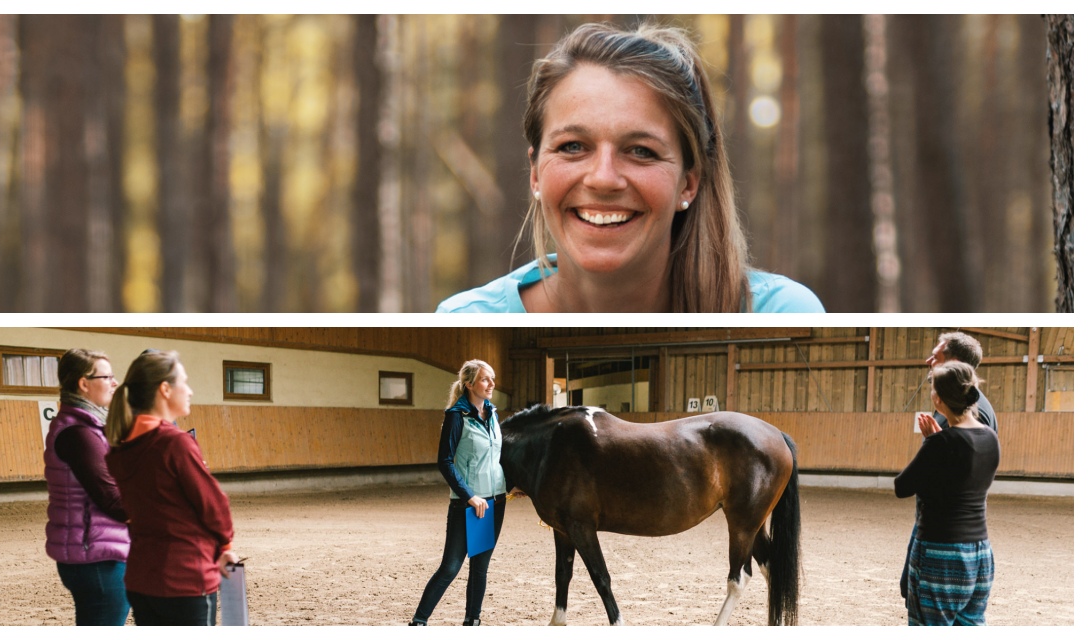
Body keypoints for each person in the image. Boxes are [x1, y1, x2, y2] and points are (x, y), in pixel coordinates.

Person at [437, 22, 824, 313]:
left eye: (640, 151)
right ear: (536, 172)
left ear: (688, 184)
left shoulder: (780, 311)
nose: (603, 178)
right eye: (573, 147)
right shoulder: (462, 317)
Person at [104, 350, 238, 626]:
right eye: (184, 382)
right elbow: (214, 504)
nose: (189, 390)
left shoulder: (120, 450)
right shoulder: (175, 443)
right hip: (185, 578)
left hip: (142, 579)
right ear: (164, 389)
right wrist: (225, 544)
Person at [894, 361, 1000, 625]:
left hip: (941, 554)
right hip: (980, 553)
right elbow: (962, 472)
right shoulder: (989, 436)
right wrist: (939, 440)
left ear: (938, 400)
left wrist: (932, 442)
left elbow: (902, 486)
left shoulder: (940, 444)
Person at [410, 360, 507, 625]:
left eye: (493, 379)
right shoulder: (456, 415)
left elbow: (496, 455)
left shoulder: (492, 413)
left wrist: (510, 485)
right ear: (469, 384)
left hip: (495, 501)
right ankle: (418, 623)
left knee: (480, 568)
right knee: (451, 567)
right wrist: (469, 496)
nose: (492, 384)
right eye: (486, 379)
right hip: (469, 504)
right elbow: (445, 462)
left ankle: (472, 623)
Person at [44, 349, 130, 625]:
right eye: (108, 376)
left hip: (97, 550)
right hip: (94, 557)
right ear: (84, 383)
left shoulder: (90, 428)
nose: (115, 383)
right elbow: (112, 499)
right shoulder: (79, 434)